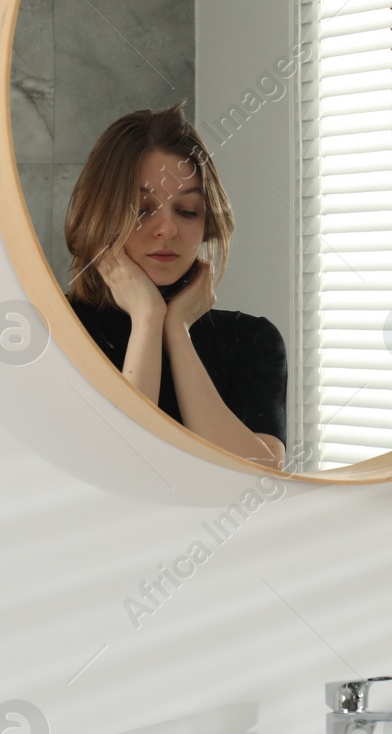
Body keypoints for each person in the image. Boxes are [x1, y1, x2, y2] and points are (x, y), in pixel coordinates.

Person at [62, 103, 288, 471]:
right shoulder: (56, 331)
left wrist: (176, 330)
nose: (167, 229)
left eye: (186, 211)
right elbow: (121, 464)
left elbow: (258, 473)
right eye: (142, 209)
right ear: (100, 216)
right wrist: (148, 318)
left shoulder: (251, 339)